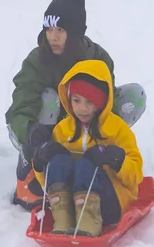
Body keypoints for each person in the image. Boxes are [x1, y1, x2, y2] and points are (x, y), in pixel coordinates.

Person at [6, 0, 147, 211]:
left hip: (82, 128)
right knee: (49, 98)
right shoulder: (37, 60)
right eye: (48, 29)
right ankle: (29, 177)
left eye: (60, 30)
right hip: (39, 134)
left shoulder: (98, 58)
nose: (52, 37)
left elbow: (107, 100)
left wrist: (110, 148)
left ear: (75, 33)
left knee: (133, 97)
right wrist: (31, 132)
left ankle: (96, 163)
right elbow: (22, 103)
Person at [32, 59, 144, 237]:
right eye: (76, 100)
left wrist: (116, 159)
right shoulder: (62, 129)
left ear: (102, 103)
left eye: (89, 102)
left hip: (109, 204)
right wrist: (39, 161)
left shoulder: (117, 129)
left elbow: (136, 176)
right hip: (69, 205)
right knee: (59, 161)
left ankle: (89, 223)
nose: (82, 108)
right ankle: (63, 220)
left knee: (85, 166)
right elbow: (49, 181)